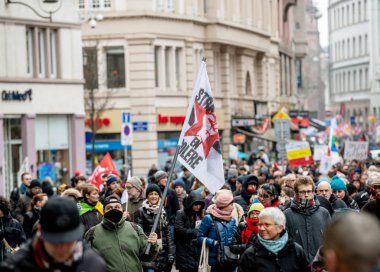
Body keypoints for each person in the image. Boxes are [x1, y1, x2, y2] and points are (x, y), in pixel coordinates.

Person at [1, 197, 107, 271]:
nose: (62, 248)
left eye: (68, 240)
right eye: (54, 240)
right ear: (40, 231)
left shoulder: (93, 265)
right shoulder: (15, 267)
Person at [85, 195, 159, 272]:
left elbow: (146, 257)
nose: (113, 210)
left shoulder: (135, 228)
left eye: (117, 207)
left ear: (122, 209)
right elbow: (86, 264)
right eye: (109, 208)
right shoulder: (92, 233)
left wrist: (153, 245)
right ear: (103, 211)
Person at [239, 207, 309, 272]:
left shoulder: (296, 250)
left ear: (280, 228)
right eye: (260, 225)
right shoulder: (250, 255)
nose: (262, 229)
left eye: (267, 225)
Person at [284, 176, 331, 263]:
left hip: (320, 265)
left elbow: (331, 241)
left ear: (313, 192)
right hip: (297, 265)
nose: (306, 195)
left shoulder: (324, 213)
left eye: (309, 191)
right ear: (296, 193)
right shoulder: (287, 214)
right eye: (302, 192)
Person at [136, 184, 175, 272]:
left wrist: (171, 253)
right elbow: (139, 234)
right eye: (151, 194)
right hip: (149, 253)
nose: (153, 196)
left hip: (163, 254)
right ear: (147, 196)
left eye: (156, 194)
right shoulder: (141, 211)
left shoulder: (162, 211)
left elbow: (168, 233)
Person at [197, 190, 237, 272]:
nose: (233, 207)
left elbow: (235, 237)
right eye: (231, 204)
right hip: (213, 260)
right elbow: (199, 237)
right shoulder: (208, 218)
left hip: (229, 258)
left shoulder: (232, 219)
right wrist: (213, 242)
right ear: (224, 205)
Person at [174, 191, 205, 272]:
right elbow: (179, 230)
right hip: (184, 249)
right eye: (195, 204)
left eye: (199, 205)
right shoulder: (181, 213)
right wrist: (195, 232)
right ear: (190, 203)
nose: (198, 207)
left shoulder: (199, 214)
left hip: (196, 250)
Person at [0, 196, 26, 263]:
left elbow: (23, 242)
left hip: (9, 261)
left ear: (3, 209)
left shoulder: (14, 223)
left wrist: (17, 250)